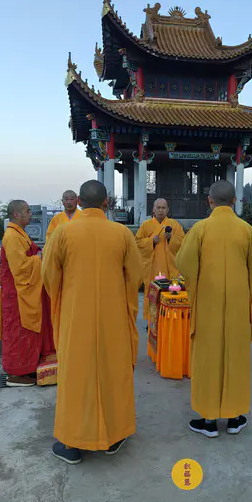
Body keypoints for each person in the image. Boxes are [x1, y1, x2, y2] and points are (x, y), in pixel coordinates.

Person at [42, 180, 143, 464]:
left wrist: (67, 296)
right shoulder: (121, 233)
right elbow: (136, 275)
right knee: (113, 370)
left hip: (76, 316)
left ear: (79, 202)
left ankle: (73, 443)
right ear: (107, 202)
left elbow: (49, 276)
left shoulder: (63, 233)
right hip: (113, 316)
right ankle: (114, 436)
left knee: (77, 375)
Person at [175, 180, 252, 438]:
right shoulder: (247, 230)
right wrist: (249, 299)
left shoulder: (200, 229)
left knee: (208, 358)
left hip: (207, 304)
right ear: (235, 201)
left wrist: (196, 287)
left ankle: (209, 421)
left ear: (210, 201)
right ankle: (235, 418)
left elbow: (183, 262)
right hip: (237, 304)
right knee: (236, 357)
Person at [0, 200, 56, 387]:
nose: (30, 213)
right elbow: (20, 268)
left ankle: (27, 367)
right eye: (27, 211)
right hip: (16, 293)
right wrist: (39, 258)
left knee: (28, 331)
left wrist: (38, 254)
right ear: (16, 214)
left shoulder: (19, 233)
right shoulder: (11, 236)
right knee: (19, 332)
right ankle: (16, 374)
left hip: (23, 290)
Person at [135, 198, 185, 320]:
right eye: (158, 208)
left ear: (167, 210)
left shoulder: (175, 225)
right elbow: (137, 243)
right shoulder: (146, 225)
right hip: (152, 269)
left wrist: (171, 238)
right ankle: (151, 321)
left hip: (170, 268)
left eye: (163, 208)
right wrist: (150, 241)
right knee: (152, 294)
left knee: (170, 293)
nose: (161, 210)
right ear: (153, 209)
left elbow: (183, 243)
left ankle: (169, 320)